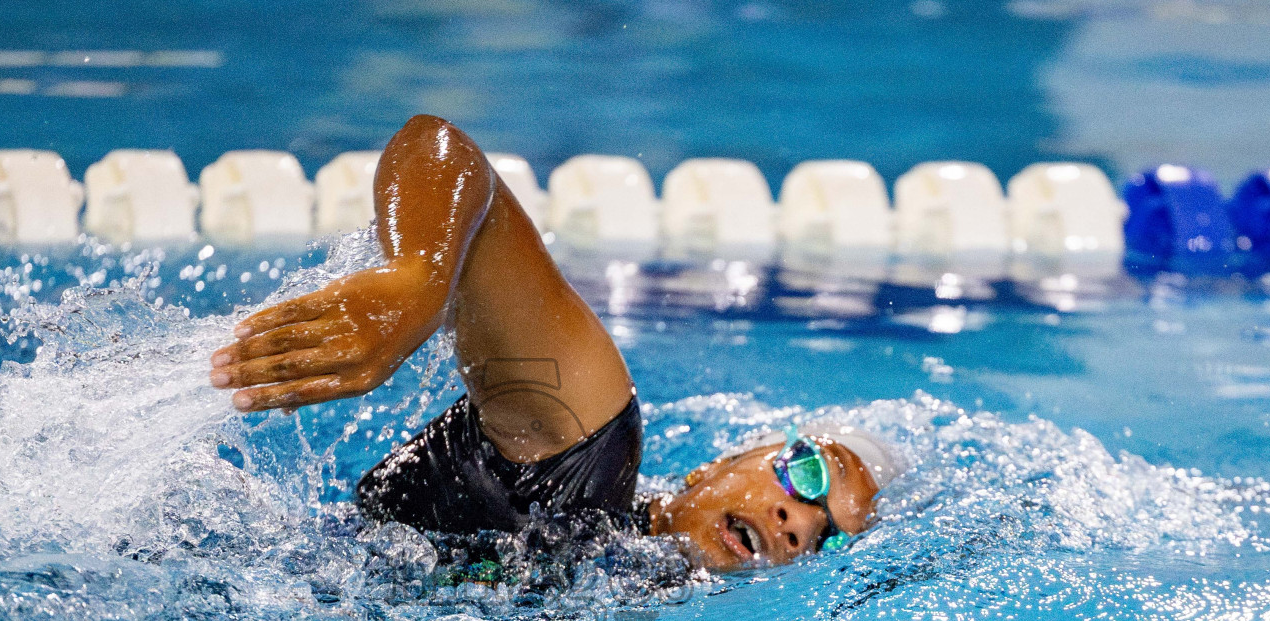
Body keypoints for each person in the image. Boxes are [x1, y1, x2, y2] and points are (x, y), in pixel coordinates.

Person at [208, 115, 899, 572]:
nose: (796, 522)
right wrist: (416, 283)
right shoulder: (583, 448)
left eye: (826, 535)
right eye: (804, 472)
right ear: (715, 466)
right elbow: (442, 151)